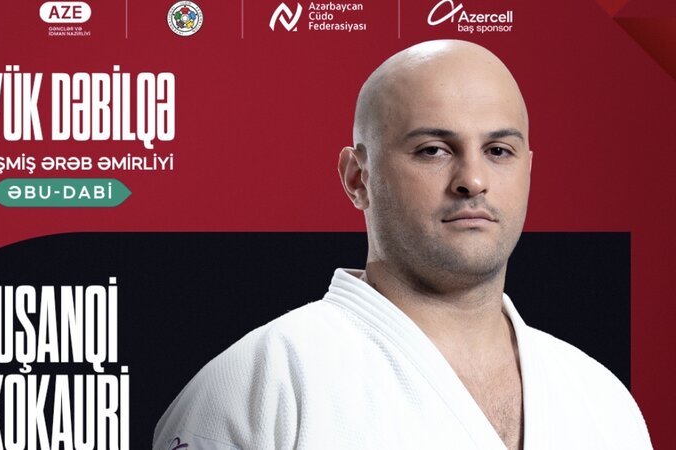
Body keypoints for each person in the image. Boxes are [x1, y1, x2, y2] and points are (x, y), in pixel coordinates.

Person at [153, 40, 652, 450]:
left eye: (499, 151)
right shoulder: (261, 385)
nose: (473, 179)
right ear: (358, 178)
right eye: (433, 150)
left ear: (527, 170)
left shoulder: (601, 399)